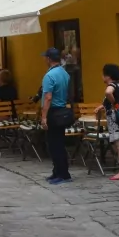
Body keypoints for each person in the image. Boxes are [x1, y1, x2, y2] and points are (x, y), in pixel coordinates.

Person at [41, 48, 73, 185]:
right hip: (62, 111)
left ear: (48, 59)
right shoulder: (64, 73)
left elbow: (48, 97)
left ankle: (62, 173)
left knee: (54, 145)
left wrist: (43, 117)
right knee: (59, 143)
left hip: (53, 112)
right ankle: (58, 171)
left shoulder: (49, 76)